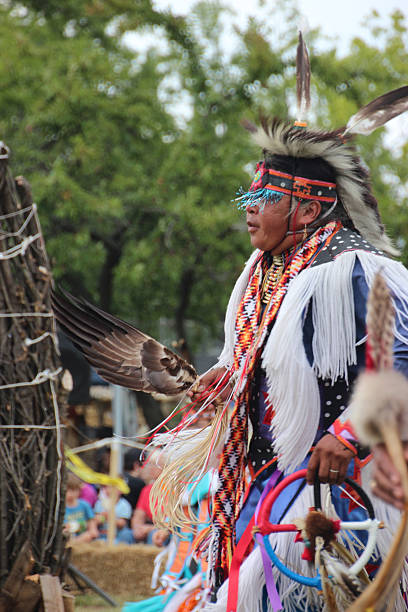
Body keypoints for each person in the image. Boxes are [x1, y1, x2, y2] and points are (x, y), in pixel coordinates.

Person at [151, 100, 408, 609]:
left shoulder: (353, 270)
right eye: (249, 194)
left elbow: (401, 357)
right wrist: (224, 379)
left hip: (343, 488)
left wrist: (348, 434)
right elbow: (255, 362)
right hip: (267, 481)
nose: (249, 206)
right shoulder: (264, 272)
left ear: (309, 210)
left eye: (264, 196)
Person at [64, 473, 98, 543]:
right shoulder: (61, 507)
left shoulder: (84, 505)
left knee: (87, 536)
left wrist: (93, 530)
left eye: (74, 490)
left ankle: (75, 542)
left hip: (83, 536)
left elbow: (91, 520)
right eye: (68, 491)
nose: (71, 494)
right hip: (67, 536)